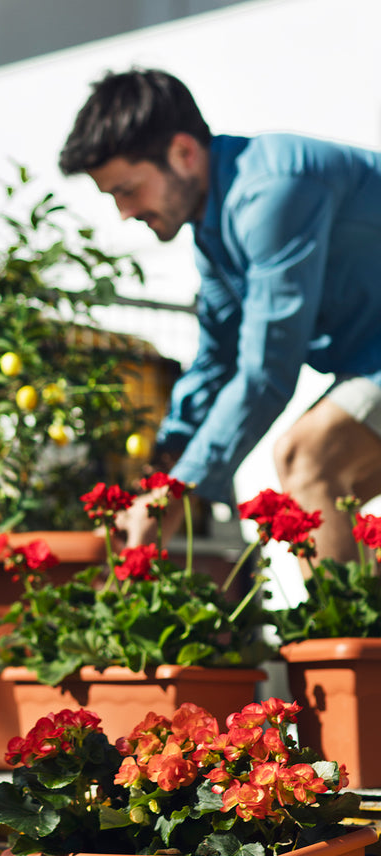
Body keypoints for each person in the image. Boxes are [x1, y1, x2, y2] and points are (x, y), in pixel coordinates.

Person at [59, 68, 381, 564]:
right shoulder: (213, 232)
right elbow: (217, 359)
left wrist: (181, 489)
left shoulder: (274, 191)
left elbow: (266, 371)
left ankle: (340, 641)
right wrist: (163, 473)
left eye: (127, 190)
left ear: (183, 153)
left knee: (308, 459)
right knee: (331, 492)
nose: (123, 213)